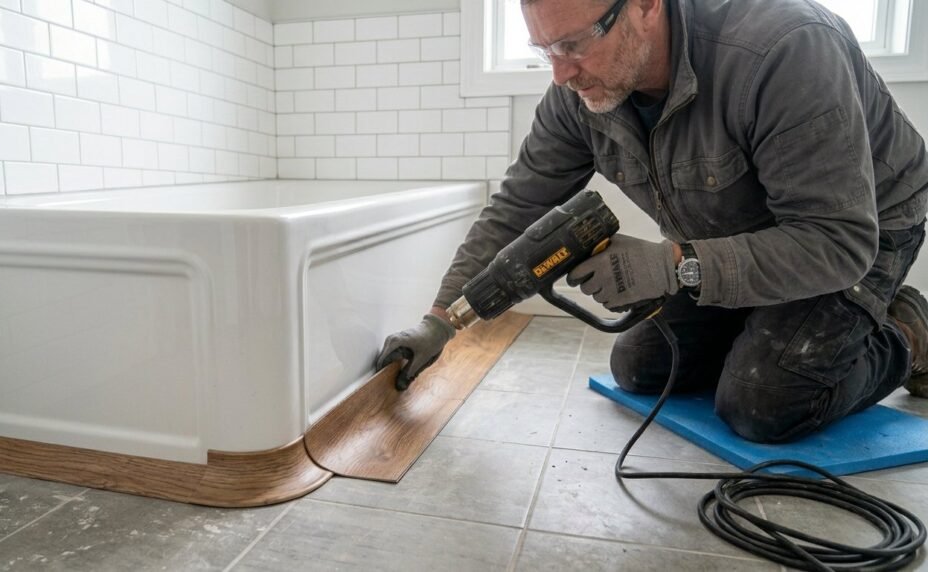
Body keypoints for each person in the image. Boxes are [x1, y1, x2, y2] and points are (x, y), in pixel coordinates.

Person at [375, 0, 928, 443]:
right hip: (732, 244)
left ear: (645, 6)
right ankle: (766, 324)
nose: (561, 72)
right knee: (640, 367)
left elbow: (836, 241)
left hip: (864, 231)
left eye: (573, 43)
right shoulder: (577, 94)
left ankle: (910, 332)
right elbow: (517, 206)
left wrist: (673, 266)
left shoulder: (784, 47)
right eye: (543, 49)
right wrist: (442, 319)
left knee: (763, 401)